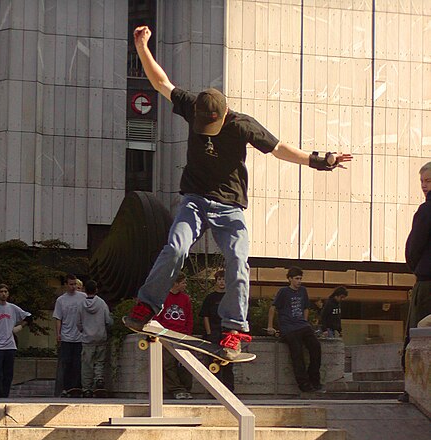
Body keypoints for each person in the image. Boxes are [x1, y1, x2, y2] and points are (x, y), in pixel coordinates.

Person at [126, 25, 352, 360]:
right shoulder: (191, 104)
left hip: (230, 207)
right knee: (175, 247)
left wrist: (321, 160)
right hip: (195, 199)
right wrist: (142, 46)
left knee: (237, 261)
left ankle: (233, 329)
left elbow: (280, 149)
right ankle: (147, 306)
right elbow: (161, 83)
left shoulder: (243, 125)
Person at [399, 162, 431, 402]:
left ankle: (412, 388)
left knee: (418, 333)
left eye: (428, 181)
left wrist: (417, 268)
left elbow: (414, 247)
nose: (424, 186)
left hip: (427, 281)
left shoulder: (426, 210)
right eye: (422, 181)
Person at [267, 267, 322, 393]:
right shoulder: (283, 292)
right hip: (289, 328)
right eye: (296, 279)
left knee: (316, 348)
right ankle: (304, 384)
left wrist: (305, 321)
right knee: (297, 355)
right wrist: (270, 326)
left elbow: (306, 308)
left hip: (302, 325)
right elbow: (273, 308)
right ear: (290, 279)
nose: (299, 281)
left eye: (300, 279)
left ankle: (314, 379)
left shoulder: (303, 291)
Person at [0, 284, 32, 398]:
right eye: (1, 291)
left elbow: (28, 317)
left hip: (10, 345)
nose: (3, 294)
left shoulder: (12, 308)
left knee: (8, 373)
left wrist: (19, 327)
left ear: (8, 294)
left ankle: (5, 395)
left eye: (5, 292)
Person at [155, 272, 193, 400]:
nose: (185, 285)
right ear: (175, 283)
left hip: (182, 335)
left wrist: (187, 334)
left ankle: (186, 388)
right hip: (166, 334)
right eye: (183, 283)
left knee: (185, 363)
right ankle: (176, 389)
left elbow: (189, 317)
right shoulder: (163, 297)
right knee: (168, 363)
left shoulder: (185, 298)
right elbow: (157, 316)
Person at [199, 269, 235, 391]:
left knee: (228, 361)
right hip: (213, 332)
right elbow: (205, 316)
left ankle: (229, 389)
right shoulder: (210, 298)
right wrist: (209, 333)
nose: (222, 282)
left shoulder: (231, 297)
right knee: (213, 361)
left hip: (227, 333)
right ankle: (214, 389)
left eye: (224, 279)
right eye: (219, 279)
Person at [77, 280, 113, 397]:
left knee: (87, 364)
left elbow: (78, 322)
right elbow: (108, 320)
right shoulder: (102, 303)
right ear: (96, 289)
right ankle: (99, 378)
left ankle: (87, 388)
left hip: (87, 339)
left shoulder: (81, 305)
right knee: (100, 361)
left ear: (84, 290)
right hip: (101, 336)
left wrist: (83, 330)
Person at [53, 274, 86, 397]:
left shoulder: (83, 297)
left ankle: (76, 387)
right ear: (66, 285)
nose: (73, 287)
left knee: (77, 363)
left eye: (74, 284)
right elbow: (58, 318)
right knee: (66, 363)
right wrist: (58, 334)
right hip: (66, 336)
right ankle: (66, 388)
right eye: (71, 284)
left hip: (80, 336)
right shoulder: (61, 300)